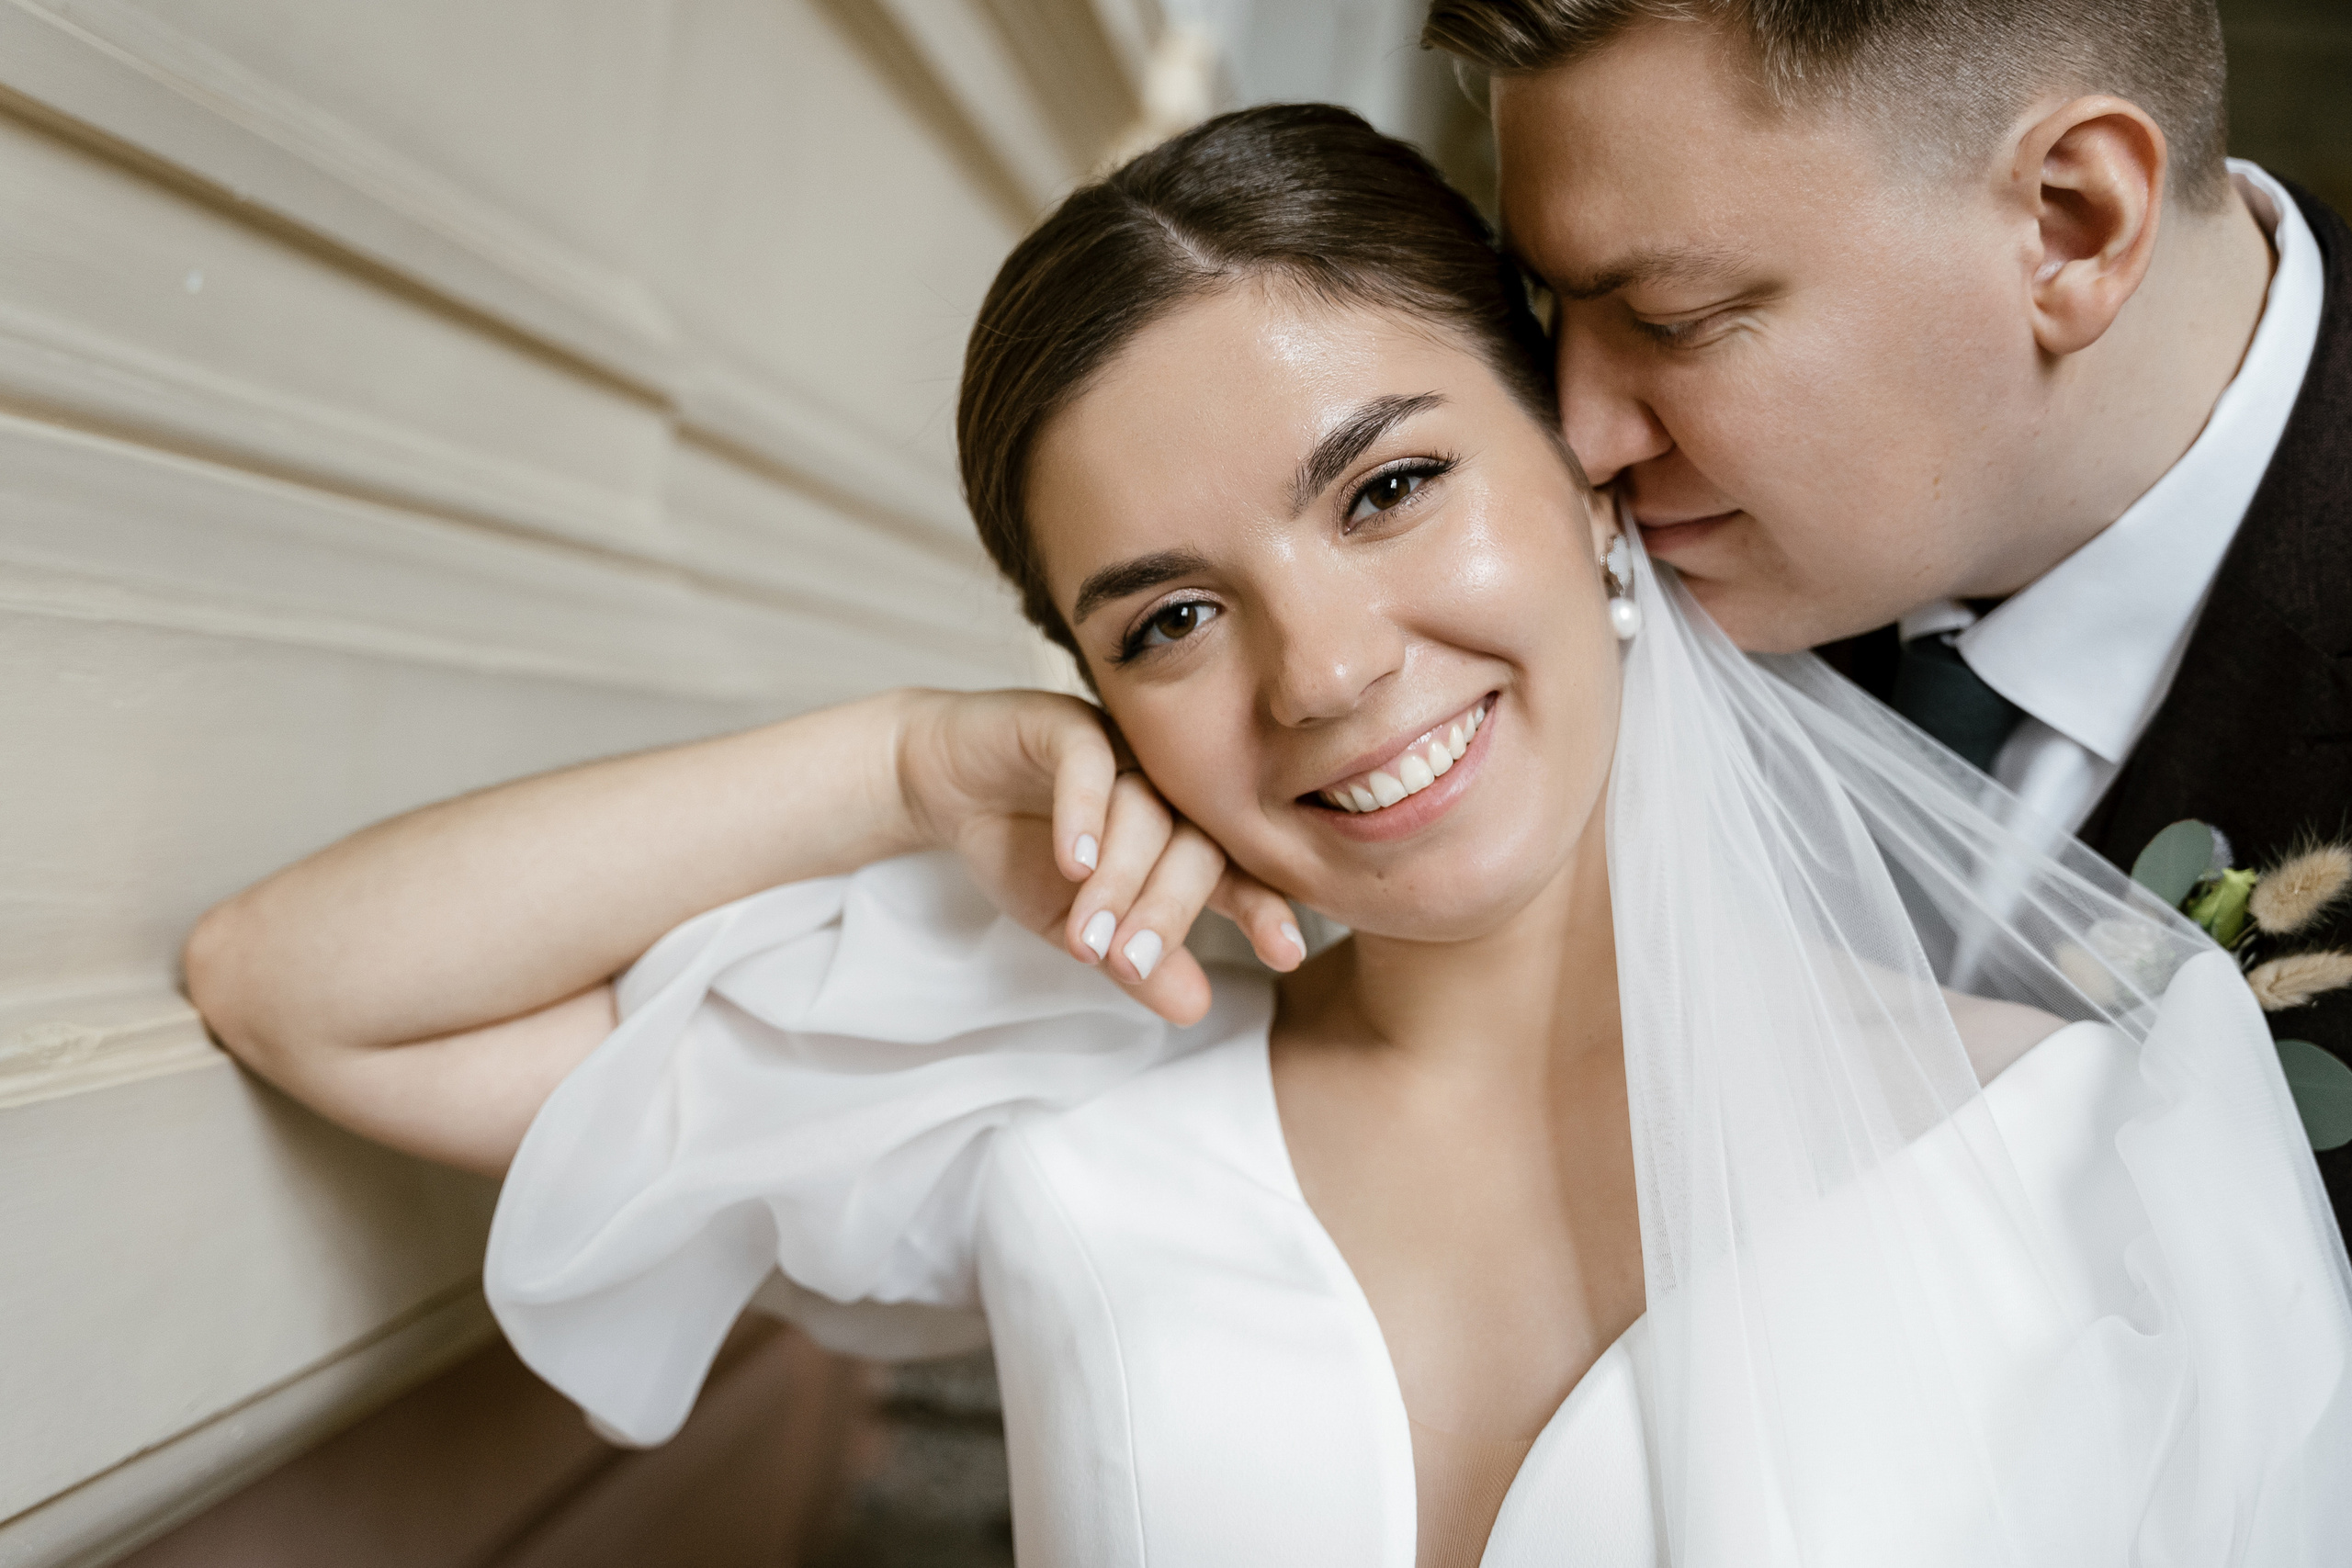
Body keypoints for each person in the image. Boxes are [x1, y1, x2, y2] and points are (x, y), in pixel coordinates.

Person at [185, 108, 2352, 1566]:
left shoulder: (2106, 1132)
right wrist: (906, 764)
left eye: (1390, 485)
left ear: (1588, 472)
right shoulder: (1058, 1083)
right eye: (1170, 615)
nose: (1317, 670)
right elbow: (307, 991)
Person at [1422, 0, 2352, 1228]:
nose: (1580, 437)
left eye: (1671, 320)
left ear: (2071, 223)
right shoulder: (1593, 568)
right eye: (1548, 307)